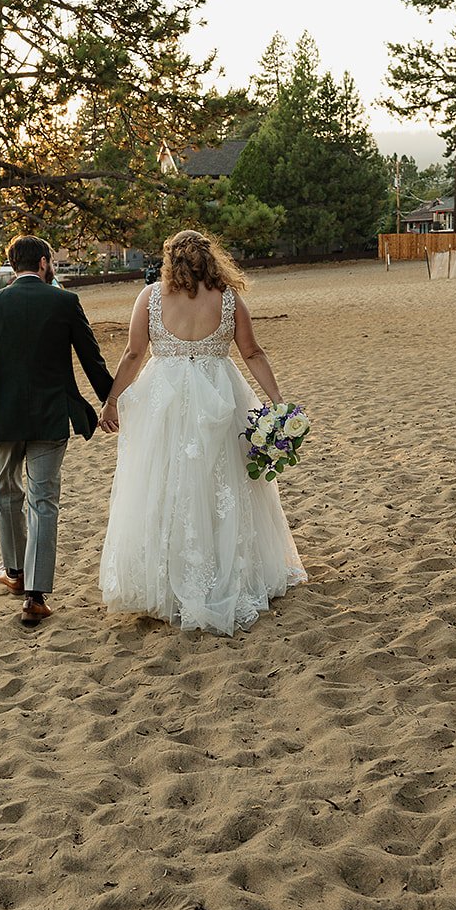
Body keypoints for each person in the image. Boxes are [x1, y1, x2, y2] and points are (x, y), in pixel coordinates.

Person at [98, 228, 306, 635]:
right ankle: (226, 573)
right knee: (221, 483)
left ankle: (169, 581)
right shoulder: (228, 299)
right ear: (211, 259)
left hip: (166, 399)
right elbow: (252, 352)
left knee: (163, 482)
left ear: (170, 259)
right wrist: (276, 402)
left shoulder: (151, 297)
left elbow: (134, 353)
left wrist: (111, 400)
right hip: (219, 393)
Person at [0, 235, 114, 627]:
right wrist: (111, 403)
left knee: (6, 492)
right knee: (43, 500)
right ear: (44, 262)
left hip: (4, 417)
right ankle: (35, 596)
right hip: (49, 415)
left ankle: (14, 571)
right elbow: (91, 359)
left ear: (13, 265)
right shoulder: (65, 302)